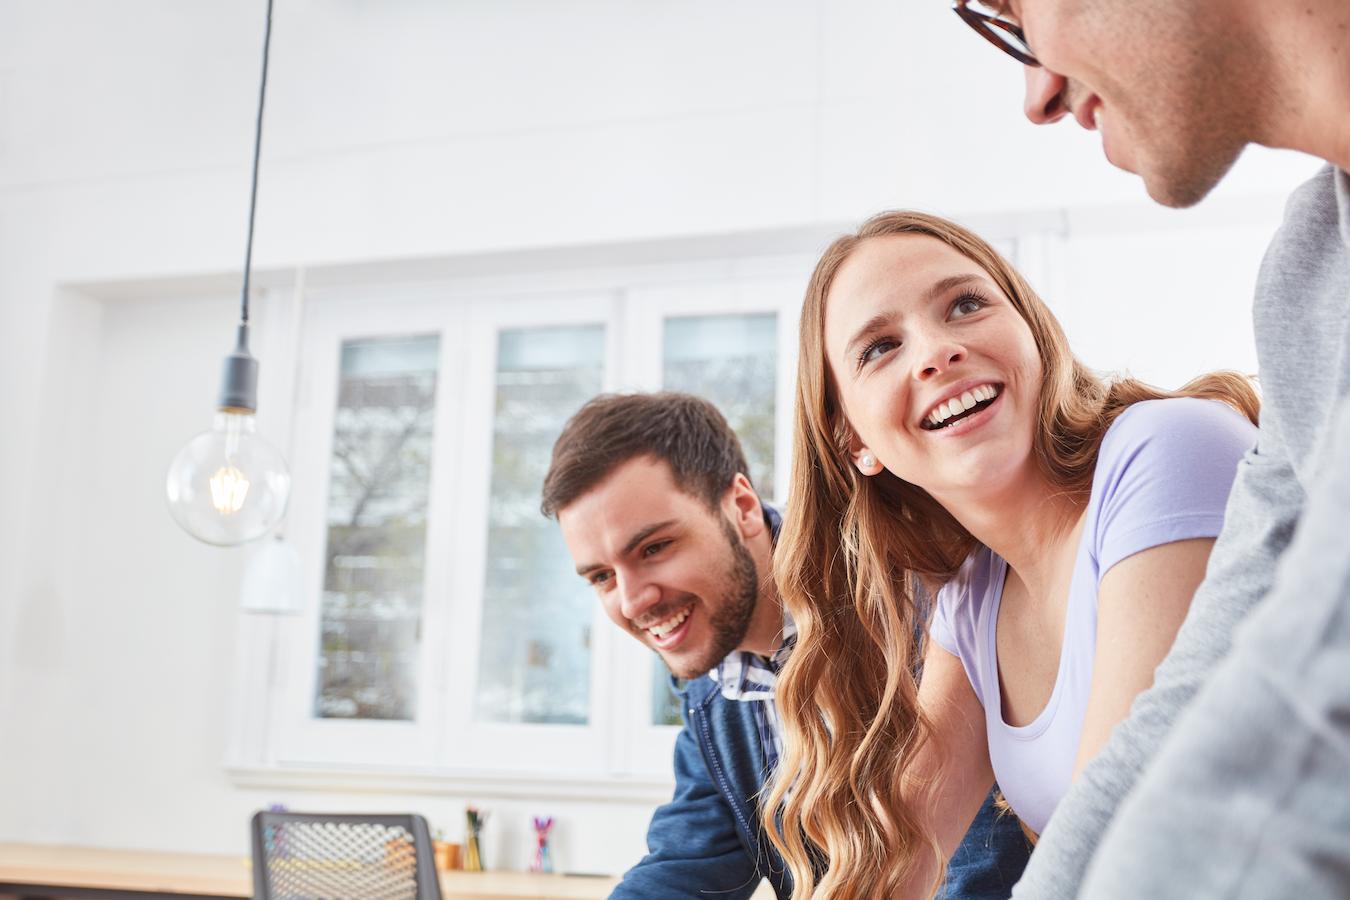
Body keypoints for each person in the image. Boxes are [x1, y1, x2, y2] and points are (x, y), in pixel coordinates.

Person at [949, 2, 1350, 896]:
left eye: (1017, 15)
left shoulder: (1165, 448)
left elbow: (1309, 722)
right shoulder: (1308, 271)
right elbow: (1198, 693)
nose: (1037, 95)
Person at [762, 210, 1259, 898]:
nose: (936, 351)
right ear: (855, 441)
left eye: (965, 305)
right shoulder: (976, 596)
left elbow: (1120, 849)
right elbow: (890, 867)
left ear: (1033, 332)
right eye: (879, 347)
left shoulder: (1169, 449)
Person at [540, 392, 1032, 899]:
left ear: (742, 507)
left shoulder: (908, 592)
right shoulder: (713, 688)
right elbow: (687, 866)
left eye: (654, 548)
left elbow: (976, 861)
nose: (633, 600)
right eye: (601, 577)